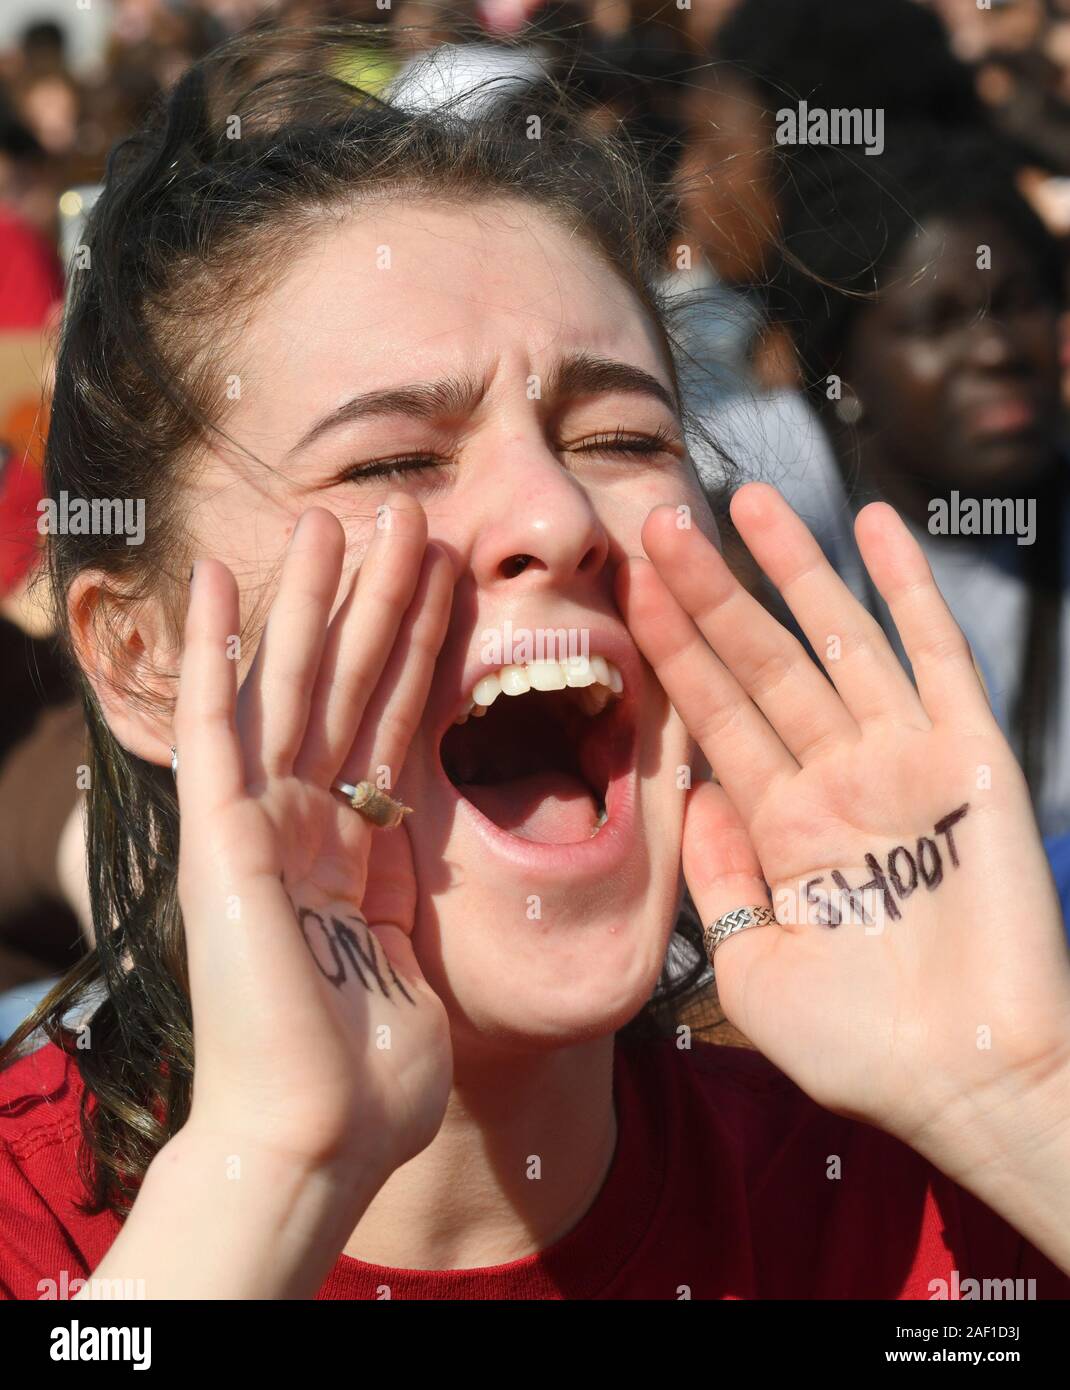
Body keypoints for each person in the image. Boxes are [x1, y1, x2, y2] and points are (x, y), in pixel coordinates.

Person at [1, 26, 1070, 1301]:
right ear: (141, 657)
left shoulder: (918, 1205)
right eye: (391, 460)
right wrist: (267, 1176)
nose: (556, 516)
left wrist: (1017, 1099)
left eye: (620, 433)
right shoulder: (40, 1235)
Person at [764, 126, 1070, 840]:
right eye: (940, 321)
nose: (996, 349)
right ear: (843, 359)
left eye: (1021, 303)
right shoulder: (771, 495)